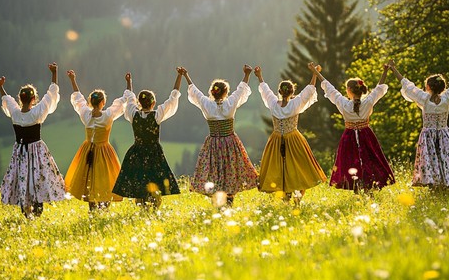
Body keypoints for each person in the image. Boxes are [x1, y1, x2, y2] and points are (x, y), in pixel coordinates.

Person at [388, 55, 449, 192]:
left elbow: (408, 85)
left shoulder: (424, 98)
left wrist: (394, 69)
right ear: (442, 87)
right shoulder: (447, 97)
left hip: (428, 135)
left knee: (431, 160)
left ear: (428, 87)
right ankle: (446, 187)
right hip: (444, 134)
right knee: (445, 159)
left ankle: (434, 187)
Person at [308, 62, 395, 192]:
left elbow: (330, 89)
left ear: (348, 91)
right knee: (369, 159)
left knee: (351, 162)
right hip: (366, 134)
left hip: (349, 136)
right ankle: (369, 186)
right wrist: (385, 71)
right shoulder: (368, 101)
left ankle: (356, 187)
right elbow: (379, 88)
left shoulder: (343, 103)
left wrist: (316, 73)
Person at [182, 65, 258, 207]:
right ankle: (229, 201)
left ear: (212, 92)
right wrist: (247, 74)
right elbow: (241, 90)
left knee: (213, 170)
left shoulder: (207, 104)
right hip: (230, 142)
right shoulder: (230, 103)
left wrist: (186, 76)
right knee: (231, 169)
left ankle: (217, 200)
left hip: (213, 143)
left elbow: (195, 92)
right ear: (225, 92)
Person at [0, 63, 66, 218]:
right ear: (33, 99)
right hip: (36, 151)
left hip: (20, 151)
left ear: (20, 99)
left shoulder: (15, 113)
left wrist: (1, 86)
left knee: (23, 178)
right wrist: (54, 73)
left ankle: (26, 211)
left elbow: (7, 100)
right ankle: (37, 210)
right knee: (36, 179)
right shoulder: (36, 113)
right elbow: (51, 95)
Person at [254, 65, 326, 203]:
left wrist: (259, 76)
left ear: (279, 92)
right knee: (298, 168)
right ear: (292, 91)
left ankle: (285, 197)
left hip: (276, 139)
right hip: (293, 138)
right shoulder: (295, 104)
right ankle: (297, 198)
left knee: (280, 168)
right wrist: (315, 74)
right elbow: (309, 91)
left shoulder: (274, 104)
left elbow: (266, 91)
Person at [112, 69, 184, 207]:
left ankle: (141, 205)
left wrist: (129, 83)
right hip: (153, 152)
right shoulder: (156, 115)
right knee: (154, 180)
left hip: (137, 152)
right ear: (153, 103)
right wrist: (179, 77)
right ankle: (154, 206)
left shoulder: (134, 115)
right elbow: (172, 99)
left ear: (140, 102)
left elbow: (129, 99)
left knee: (139, 181)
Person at [64, 70, 130, 210]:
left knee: (89, 177)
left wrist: (72, 79)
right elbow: (123, 101)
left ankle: (92, 207)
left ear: (90, 102)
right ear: (103, 102)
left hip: (87, 150)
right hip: (104, 150)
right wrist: (129, 83)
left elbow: (78, 99)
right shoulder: (107, 116)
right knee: (104, 178)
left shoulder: (86, 115)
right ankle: (104, 205)